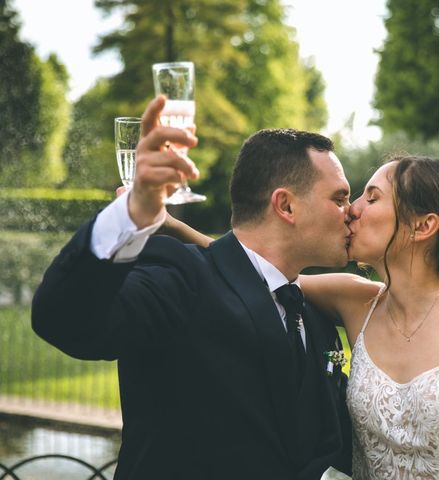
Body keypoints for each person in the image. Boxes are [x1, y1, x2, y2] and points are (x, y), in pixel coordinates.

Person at [31, 95, 353, 479]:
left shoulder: (313, 319)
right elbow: (65, 319)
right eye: (340, 198)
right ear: (286, 206)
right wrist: (130, 215)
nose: (351, 211)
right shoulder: (184, 276)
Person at [166, 155, 439, 479]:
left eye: (371, 199)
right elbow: (250, 265)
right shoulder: (355, 301)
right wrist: (169, 224)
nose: (351, 209)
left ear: (423, 225)